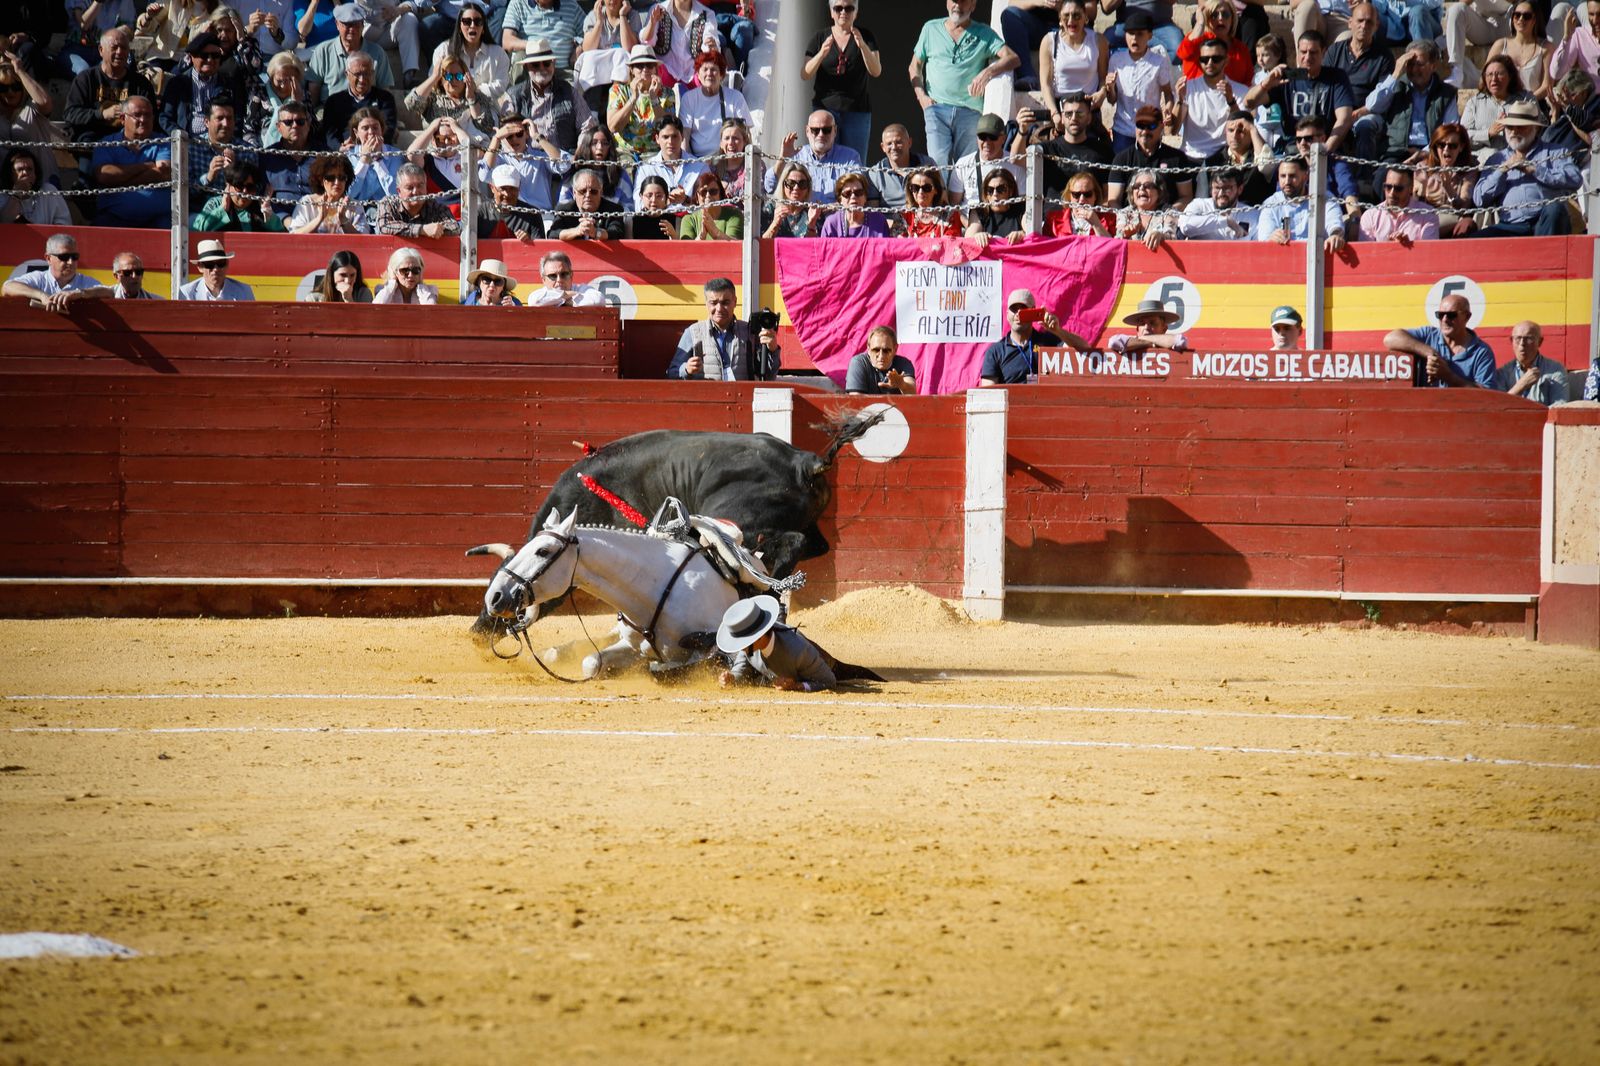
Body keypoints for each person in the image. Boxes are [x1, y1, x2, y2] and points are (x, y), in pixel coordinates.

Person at [909, 0, 1018, 167]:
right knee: (938, 166)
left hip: (970, 111)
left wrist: (987, 73)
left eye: (963, 1)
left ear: (973, 5)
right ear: (947, 3)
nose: (958, 6)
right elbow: (914, 66)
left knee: (966, 167)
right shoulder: (930, 29)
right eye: (954, 1)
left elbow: (1013, 58)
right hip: (937, 108)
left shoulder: (984, 33)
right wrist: (921, 97)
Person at [1473, 100, 1582, 235]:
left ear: (1535, 129)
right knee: (1475, 240)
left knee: (1554, 209)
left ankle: (1547, 248)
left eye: (1521, 127)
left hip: (1544, 221)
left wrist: (1535, 170)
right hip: (1511, 225)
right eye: (1510, 127)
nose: (1514, 132)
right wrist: (1501, 171)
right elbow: (1479, 200)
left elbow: (1575, 179)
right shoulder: (1497, 159)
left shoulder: (1555, 152)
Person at [1243, 30, 1355, 158]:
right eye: (1303, 52)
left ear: (1323, 52)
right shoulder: (1287, 78)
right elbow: (1249, 103)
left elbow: (1344, 118)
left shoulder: (1336, 77)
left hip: (1326, 145)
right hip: (1294, 147)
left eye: (1313, 52)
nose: (1307, 57)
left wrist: (1324, 150)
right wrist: (1265, 84)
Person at [1360, 42, 1460, 172]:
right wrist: (1396, 73)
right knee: (1382, 180)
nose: (1414, 70)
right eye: (1410, 64)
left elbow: (1449, 130)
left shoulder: (1446, 93)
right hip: (1397, 151)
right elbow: (1372, 106)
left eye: (1419, 64)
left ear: (1433, 66)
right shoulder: (1396, 86)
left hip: (1431, 152)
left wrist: (1424, 152)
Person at [803, 0, 881, 161]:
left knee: (854, 162)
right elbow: (805, 73)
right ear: (831, 12)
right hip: (825, 110)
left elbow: (876, 71)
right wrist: (821, 54)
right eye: (838, 8)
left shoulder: (865, 36)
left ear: (856, 13)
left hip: (857, 111)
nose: (843, 12)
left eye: (849, 8)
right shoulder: (820, 37)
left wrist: (862, 46)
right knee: (824, 160)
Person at [666, 277, 780, 381]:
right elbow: (672, 373)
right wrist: (686, 369)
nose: (719, 309)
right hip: (707, 396)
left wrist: (773, 350)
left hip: (741, 395)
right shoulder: (693, 332)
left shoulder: (749, 332)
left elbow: (768, 377)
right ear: (706, 304)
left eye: (725, 302)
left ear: (735, 302)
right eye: (713, 303)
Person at [716, 595, 836, 693]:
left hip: (830, 667)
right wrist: (731, 678)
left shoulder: (798, 650)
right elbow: (741, 670)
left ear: (759, 636)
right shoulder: (749, 647)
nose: (740, 647)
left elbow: (828, 681)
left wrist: (796, 686)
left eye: (744, 641)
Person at [65, 26, 154, 151]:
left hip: (129, 143)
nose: (119, 52)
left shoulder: (141, 83)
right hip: (92, 143)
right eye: (114, 47)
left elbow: (152, 117)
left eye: (124, 48)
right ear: (101, 50)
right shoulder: (86, 79)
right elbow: (70, 114)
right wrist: (101, 114)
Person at [92, 95, 173, 228]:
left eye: (147, 115)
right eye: (137, 115)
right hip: (114, 217)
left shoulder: (163, 142)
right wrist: (146, 166)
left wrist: (120, 182)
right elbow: (105, 175)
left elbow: (163, 172)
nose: (143, 120)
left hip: (158, 220)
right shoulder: (106, 143)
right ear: (123, 119)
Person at [1383, 293, 1496, 387]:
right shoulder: (1429, 335)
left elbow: (1487, 395)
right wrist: (1431, 353)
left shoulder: (1482, 352)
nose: (1445, 320)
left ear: (1467, 317)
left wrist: (1448, 376)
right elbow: (1390, 339)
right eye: (1440, 315)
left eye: (1451, 315)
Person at [979, 289, 1086, 386]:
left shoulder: (1048, 341)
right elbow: (988, 393)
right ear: (1007, 315)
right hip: (1011, 402)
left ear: (1033, 311)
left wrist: (1058, 331)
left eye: (1023, 309)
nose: (1018, 314)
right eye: (1014, 309)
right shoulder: (995, 352)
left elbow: (1085, 348)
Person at [1103, 12, 1176, 153]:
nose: (1134, 38)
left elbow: (1168, 93)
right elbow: (1112, 99)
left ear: (1149, 35)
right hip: (1123, 129)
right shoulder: (1116, 60)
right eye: (1130, 33)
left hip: (1150, 128)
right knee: (1122, 164)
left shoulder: (1158, 61)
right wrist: (1110, 87)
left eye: (1140, 34)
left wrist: (1168, 108)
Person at [161, 31, 248, 139]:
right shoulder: (177, 83)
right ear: (192, 57)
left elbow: (238, 117)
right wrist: (180, 136)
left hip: (221, 141)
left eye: (215, 56)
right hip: (185, 141)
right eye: (204, 55)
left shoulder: (229, 84)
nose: (210, 60)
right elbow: (165, 117)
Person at [305, 3, 395, 109]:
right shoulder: (323, 51)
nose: (352, 29)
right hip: (330, 109)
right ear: (337, 24)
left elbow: (384, 91)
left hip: (365, 110)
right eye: (347, 25)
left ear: (362, 25)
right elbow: (313, 89)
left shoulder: (377, 52)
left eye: (356, 24)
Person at [1176, 35, 1249, 164]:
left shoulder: (1241, 91)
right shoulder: (1188, 88)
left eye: (1216, 59)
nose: (1209, 63)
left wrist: (1231, 101)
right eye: (1204, 59)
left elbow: (1243, 130)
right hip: (1191, 155)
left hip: (1223, 157)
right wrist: (1179, 100)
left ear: (1226, 61)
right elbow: (1172, 130)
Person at [767, 108, 862, 205]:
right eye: (815, 130)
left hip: (837, 213)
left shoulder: (850, 157)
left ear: (835, 131)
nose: (821, 135)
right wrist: (782, 159)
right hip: (801, 213)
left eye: (826, 130)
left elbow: (859, 192)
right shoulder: (795, 155)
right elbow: (769, 187)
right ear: (807, 131)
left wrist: (833, 208)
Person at [509, 38, 586, 155]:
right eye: (535, 65)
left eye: (546, 63)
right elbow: (506, 133)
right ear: (526, 67)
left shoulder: (569, 91)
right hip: (528, 160)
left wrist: (579, 153)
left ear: (553, 64)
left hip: (564, 159)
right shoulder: (514, 96)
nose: (542, 68)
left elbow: (587, 126)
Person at [2, 233, 112, 312]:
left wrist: (80, 293)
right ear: (48, 258)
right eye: (64, 257)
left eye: (74, 257)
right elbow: (7, 287)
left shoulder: (85, 282)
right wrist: (42, 296)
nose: (71, 262)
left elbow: (109, 292)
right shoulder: (39, 278)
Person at [431, 1, 510, 109]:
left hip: (486, 110)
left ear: (483, 27)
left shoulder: (498, 53)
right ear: (459, 27)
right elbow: (436, 83)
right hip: (451, 109)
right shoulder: (443, 50)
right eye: (467, 22)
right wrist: (465, 91)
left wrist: (473, 90)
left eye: (478, 22)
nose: (472, 26)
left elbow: (501, 85)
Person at [1257, 156, 1346, 251]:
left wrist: (1335, 236)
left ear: (1305, 176)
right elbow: (1264, 238)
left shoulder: (1323, 197)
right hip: (1284, 257)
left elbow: (1335, 223)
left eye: (1292, 176)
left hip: (1318, 256)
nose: (1287, 182)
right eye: (1283, 176)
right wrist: (1272, 238)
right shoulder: (1270, 203)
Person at [481, 111, 564, 214]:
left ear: (527, 134)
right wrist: (496, 139)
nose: (514, 139)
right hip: (510, 216)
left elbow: (564, 164)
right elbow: (484, 175)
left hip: (541, 216)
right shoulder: (497, 159)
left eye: (519, 134)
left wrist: (537, 136)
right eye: (508, 135)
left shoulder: (540, 157)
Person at [1110, 104, 1192, 207]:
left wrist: (1170, 212)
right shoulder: (1121, 159)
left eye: (1151, 126)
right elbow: (1113, 200)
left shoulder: (1177, 158)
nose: (1145, 131)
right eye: (1140, 126)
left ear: (1161, 126)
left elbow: (1186, 196)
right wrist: (1124, 216)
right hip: (1131, 215)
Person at [0, 43, 58, 189]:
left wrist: (20, 71)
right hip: (7, 189)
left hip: (44, 185)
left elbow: (44, 101)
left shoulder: (32, 108)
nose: (10, 92)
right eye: (4, 88)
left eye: (16, 87)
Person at [677, 50, 751, 159]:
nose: (709, 73)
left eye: (713, 69)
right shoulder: (689, 99)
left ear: (721, 75)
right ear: (698, 75)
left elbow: (746, 133)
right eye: (705, 69)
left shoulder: (735, 97)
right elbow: (685, 136)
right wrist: (688, 163)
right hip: (698, 160)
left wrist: (748, 159)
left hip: (728, 158)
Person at [1461, 54, 1536, 162]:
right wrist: (1488, 133)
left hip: (1520, 158)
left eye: (1499, 74)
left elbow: (1537, 128)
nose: (1494, 79)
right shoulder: (1474, 103)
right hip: (1481, 161)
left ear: (1510, 76)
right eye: (1489, 74)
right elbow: (1462, 136)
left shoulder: (1526, 99)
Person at [1039, 0, 1106, 119]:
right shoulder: (1049, 41)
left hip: (1088, 109)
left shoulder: (1098, 41)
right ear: (1060, 19)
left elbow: (1103, 79)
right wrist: (1054, 113)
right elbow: (1046, 84)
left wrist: (1102, 93)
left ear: (1085, 18)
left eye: (1076, 15)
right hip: (1060, 109)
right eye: (1066, 16)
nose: (1071, 20)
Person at [1036, 92, 1112, 194]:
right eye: (1068, 114)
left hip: (1087, 204)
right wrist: (1022, 132)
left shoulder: (1103, 151)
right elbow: (1019, 161)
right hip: (1055, 204)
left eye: (1079, 113)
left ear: (1089, 118)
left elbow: (1108, 195)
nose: (1074, 118)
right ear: (1062, 118)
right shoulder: (1048, 149)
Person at [639, 0, 723, 91]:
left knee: (707, 73)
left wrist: (710, 46)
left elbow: (710, 41)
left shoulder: (707, 14)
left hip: (695, 75)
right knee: (654, 71)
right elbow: (646, 43)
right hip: (664, 75)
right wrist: (652, 23)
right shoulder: (658, 9)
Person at [321, 50, 397, 150]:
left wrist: (369, 146)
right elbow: (329, 134)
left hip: (378, 151)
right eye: (357, 74)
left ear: (373, 73)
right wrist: (340, 148)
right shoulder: (333, 101)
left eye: (366, 74)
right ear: (347, 74)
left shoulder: (385, 99)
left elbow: (388, 129)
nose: (362, 79)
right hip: (345, 153)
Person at [187, 96, 255, 208]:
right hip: (199, 212)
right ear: (207, 122)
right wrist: (208, 178)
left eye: (229, 118)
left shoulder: (247, 151)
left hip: (236, 212)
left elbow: (253, 192)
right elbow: (185, 193)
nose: (225, 123)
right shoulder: (192, 148)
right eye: (220, 118)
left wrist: (235, 171)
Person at [607, 43, 669, 157]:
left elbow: (668, 129)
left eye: (649, 65)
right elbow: (613, 127)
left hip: (656, 153)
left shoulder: (667, 94)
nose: (645, 69)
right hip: (625, 153)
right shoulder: (618, 91)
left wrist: (654, 99)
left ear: (655, 69)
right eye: (639, 65)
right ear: (631, 69)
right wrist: (633, 97)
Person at [949, 112, 1025, 205]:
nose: (987, 142)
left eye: (993, 137)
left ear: (1003, 139)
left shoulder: (1016, 164)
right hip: (970, 213)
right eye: (982, 137)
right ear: (977, 138)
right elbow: (954, 205)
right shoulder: (962, 165)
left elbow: (1022, 204)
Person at [1417, 121, 1479, 236]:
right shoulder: (1423, 167)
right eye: (1441, 145)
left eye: (1452, 146)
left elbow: (1464, 207)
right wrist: (1422, 186)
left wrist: (1448, 188)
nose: (1446, 150)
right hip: (1426, 217)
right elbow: (1414, 205)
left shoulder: (1469, 171)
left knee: (1467, 224)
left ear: (1461, 147)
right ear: (1435, 146)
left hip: (1454, 218)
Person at [634, 115, 709, 206]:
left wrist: (686, 200)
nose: (670, 141)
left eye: (674, 136)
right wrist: (664, 202)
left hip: (691, 215)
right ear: (657, 139)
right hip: (658, 215)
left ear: (682, 137)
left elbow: (709, 202)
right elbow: (638, 205)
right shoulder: (645, 169)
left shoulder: (699, 167)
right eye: (665, 137)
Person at [289, 152, 371, 233]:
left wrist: (343, 219)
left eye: (342, 177)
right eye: (331, 177)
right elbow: (294, 235)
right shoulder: (307, 203)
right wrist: (319, 218)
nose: (337, 182)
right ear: (321, 180)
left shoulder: (355, 206)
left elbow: (363, 237)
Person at [377, 161, 462, 238]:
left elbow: (454, 228)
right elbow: (383, 226)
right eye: (409, 187)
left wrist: (436, 229)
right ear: (399, 191)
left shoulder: (435, 206)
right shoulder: (388, 203)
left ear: (426, 187)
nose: (415, 192)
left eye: (420, 186)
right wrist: (422, 230)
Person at [194, 159, 286, 230]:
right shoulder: (215, 204)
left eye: (250, 187)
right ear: (228, 185)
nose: (245, 191)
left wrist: (269, 217)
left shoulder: (260, 208)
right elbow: (197, 229)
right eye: (239, 186)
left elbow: (281, 235)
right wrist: (222, 209)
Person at [1494, 320, 1572, 404]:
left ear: (1540, 342)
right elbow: (1498, 407)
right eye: (1518, 338)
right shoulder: (1503, 373)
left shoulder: (1555, 370)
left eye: (1529, 339)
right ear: (1511, 341)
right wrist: (1520, 386)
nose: (1522, 344)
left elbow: (1559, 405)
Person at [1206, 110, 1275, 204]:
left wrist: (1252, 129)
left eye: (1240, 131)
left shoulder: (1259, 157)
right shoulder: (1213, 161)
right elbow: (1204, 197)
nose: (1234, 136)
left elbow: (1266, 167)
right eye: (1231, 130)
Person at [1177, 0, 1253, 84]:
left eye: (1225, 15)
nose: (1220, 18)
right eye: (1214, 15)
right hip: (1198, 91)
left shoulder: (1241, 49)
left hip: (1234, 92)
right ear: (1207, 18)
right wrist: (1200, 23)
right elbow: (1184, 53)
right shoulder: (1197, 41)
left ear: (1232, 19)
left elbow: (1248, 81)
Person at [502, 0, 586, 74]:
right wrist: (536, 46)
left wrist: (580, 47)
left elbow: (589, 33)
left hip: (562, 71)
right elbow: (507, 41)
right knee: (519, 57)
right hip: (531, 70)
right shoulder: (518, 3)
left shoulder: (571, 6)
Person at [261, 100, 317, 211]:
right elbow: (262, 195)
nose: (295, 126)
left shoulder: (324, 155)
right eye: (288, 122)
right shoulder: (267, 156)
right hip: (279, 217)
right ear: (278, 127)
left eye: (300, 122)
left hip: (316, 215)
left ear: (308, 125)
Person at [1359, 167, 1439, 242]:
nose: (1392, 193)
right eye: (1388, 187)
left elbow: (1429, 249)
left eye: (1398, 188)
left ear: (1411, 188)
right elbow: (1365, 251)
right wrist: (1387, 247)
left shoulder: (1428, 214)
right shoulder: (1370, 216)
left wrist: (1409, 246)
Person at [246, 50, 308, 148]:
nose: (283, 86)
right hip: (260, 150)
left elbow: (311, 129)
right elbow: (248, 128)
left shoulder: (302, 95)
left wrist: (296, 103)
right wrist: (258, 152)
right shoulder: (259, 93)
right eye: (279, 81)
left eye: (289, 80)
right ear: (271, 77)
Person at [868, 124, 936, 211]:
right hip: (889, 219)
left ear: (909, 142)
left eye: (899, 142)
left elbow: (941, 197)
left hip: (923, 217)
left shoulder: (927, 163)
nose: (894, 147)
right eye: (889, 144)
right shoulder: (874, 173)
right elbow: (873, 212)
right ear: (883, 147)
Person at [1179, 166, 1258, 238]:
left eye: (1227, 188)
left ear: (1240, 189)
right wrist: (1225, 221)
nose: (1221, 194)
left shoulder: (1251, 214)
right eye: (1217, 188)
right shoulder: (1200, 205)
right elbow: (1185, 227)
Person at [550, 165, 626, 239]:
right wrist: (577, 231)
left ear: (601, 192)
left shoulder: (614, 210)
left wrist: (596, 232)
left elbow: (617, 233)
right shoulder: (564, 210)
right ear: (574, 193)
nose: (588, 195)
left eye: (593, 191)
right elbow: (552, 234)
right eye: (583, 191)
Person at [0, 148, 70, 227]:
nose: (25, 173)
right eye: (20, 169)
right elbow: (3, 224)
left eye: (29, 169)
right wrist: (16, 195)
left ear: (35, 174)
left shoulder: (49, 191)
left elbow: (65, 225)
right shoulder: (2, 196)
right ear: (10, 174)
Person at [1114, 167, 1179, 250]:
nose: (1141, 189)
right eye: (1136, 186)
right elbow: (1117, 240)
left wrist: (1161, 236)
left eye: (1148, 186)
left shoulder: (1169, 212)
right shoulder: (1125, 213)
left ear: (1159, 191)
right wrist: (1126, 235)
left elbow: (1171, 235)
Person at [479, 160, 545, 239]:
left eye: (512, 188)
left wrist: (529, 241)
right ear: (492, 188)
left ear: (519, 187)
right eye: (502, 188)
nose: (507, 194)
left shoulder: (532, 214)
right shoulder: (480, 213)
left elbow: (540, 245)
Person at [965, 167, 1028, 247]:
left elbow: (1031, 233)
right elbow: (968, 240)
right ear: (985, 194)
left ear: (1011, 191)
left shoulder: (1022, 209)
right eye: (990, 190)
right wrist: (977, 236)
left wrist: (1022, 234)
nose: (995, 194)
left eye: (1001, 189)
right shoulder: (979, 211)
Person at [1101, 0, 1184, 60]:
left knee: (1178, 49)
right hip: (1127, 27)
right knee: (1104, 47)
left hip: (1160, 25)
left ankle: (1158, 72)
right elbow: (1106, 8)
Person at [845, 325, 916, 395]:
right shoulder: (859, 363)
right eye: (876, 350)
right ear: (868, 349)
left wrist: (902, 385)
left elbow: (912, 393)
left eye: (886, 351)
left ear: (895, 349)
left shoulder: (903, 363)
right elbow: (856, 398)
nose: (881, 356)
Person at [179, 238, 256, 301]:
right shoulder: (186, 293)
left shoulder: (244, 291)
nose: (215, 269)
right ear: (200, 267)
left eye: (220, 263)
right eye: (210, 264)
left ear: (227, 265)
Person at [761, 160, 825, 237]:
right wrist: (775, 223)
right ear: (783, 185)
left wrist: (812, 223)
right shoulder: (771, 208)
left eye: (802, 184)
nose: (796, 188)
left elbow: (815, 243)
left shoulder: (813, 212)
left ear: (808, 188)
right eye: (791, 183)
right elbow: (761, 242)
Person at [525, 248, 606, 307]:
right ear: (544, 280)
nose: (559, 280)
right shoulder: (540, 294)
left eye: (564, 274)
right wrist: (566, 295)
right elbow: (534, 301)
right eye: (553, 276)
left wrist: (568, 302)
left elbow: (599, 299)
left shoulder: (581, 289)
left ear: (571, 276)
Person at [1045, 169, 1115, 235]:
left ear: (1095, 196)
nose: (1082, 200)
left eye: (1087, 194)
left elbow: (1113, 244)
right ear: (1069, 196)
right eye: (1076, 194)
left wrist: (1096, 224)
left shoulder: (1109, 220)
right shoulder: (1053, 220)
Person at [819, 170, 888, 237]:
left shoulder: (879, 221)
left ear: (865, 197)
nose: (853, 196)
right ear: (840, 199)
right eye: (847, 193)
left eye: (858, 192)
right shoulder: (831, 224)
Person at [1107, 298, 1188, 354]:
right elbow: (1113, 342)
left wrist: (1144, 339)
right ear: (1137, 329)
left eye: (1152, 323)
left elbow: (1180, 341)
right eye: (1142, 323)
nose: (1146, 327)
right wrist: (1150, 343)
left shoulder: (1169, 340)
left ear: (1164, 328)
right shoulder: (1132, 340)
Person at [901, 166, 965, 236]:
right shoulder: (905, 215)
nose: (920, 192)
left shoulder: (950, 216)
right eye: (915, 188)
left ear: (936, 190)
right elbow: (897, 241)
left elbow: (950, 241)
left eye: (927, 188)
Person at [1550, 0, 1600, 83]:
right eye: (1591, 14)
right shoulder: (1579, 35)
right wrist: (1566, 38)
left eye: (1599, 14)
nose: (1595, 20)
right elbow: (1556, 73)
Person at [373, 246, 438, 304]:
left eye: (415, 270)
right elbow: (376, 308)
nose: (410, 275)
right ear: (394, 271)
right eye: (404, 270)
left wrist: (421, 284)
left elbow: (431, 311)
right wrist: (391, 283)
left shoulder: (430, 291)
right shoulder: (382, 290)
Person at [306, 248, 373, 303]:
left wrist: (349, 299)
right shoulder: (314, 298)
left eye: (352, 275)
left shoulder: (363, 294)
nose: (347, 281)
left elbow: (363, 316)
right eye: (343, 275)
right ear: (332, 274)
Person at [631, 174, 680, 238]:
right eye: (649, 195)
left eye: (659, 196)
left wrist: (673, 235)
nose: (654, 200)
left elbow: (680, 244)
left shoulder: (676, 220)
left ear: (666, 197)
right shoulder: (633, 221)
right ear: (641, 196)